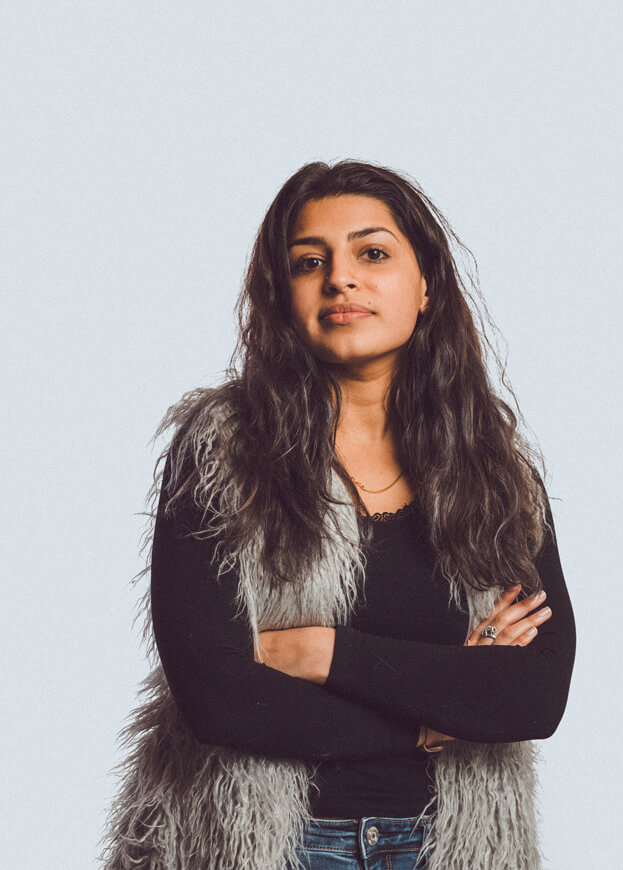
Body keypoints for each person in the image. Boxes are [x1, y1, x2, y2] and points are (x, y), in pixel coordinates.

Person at [102, 160, 576, 870]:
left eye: (372, 253)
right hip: (273, 850)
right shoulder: (224, 453)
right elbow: (220, 700)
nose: (340, 279)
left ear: (426, 286)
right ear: (281, 294)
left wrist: (325, 654)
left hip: (449, 849)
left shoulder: (495, 475)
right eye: (309, 261)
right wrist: (433, 714)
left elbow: (532, 698)